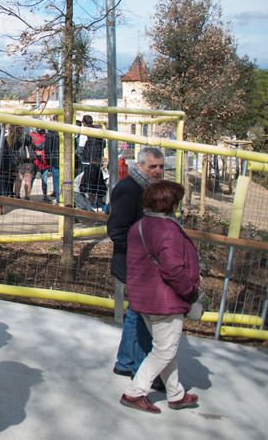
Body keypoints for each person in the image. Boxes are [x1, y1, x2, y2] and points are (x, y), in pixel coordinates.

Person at [120, 181, 200, 414]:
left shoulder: (140, 226)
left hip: (144, 297)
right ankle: (134, 393)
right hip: (165, 300)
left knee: (165, 348)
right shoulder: (168, 231)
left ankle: (176, 394)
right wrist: (190, 290)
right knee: (164, 351)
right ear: (170, 204)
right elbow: (172, 268)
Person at [108, 146, 166, 382]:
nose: (158, 171)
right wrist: (142, 253)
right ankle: (140, 369)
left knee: (136, 312)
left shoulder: (147, 189)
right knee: (142, 314)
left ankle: (125, 362)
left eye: (161, 166)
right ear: (140, 166)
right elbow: (116, 230)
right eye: (152, 166)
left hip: (141, 262)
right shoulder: (130, 190)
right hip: (135, 263)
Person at [43, 127, 61, 204]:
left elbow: (47, 149)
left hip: (55, 160)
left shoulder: (49, 135)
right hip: (63, 160)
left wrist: (48, 161)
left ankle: (59, 199)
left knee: (56, 181)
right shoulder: (64, 133)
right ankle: (62, 199)